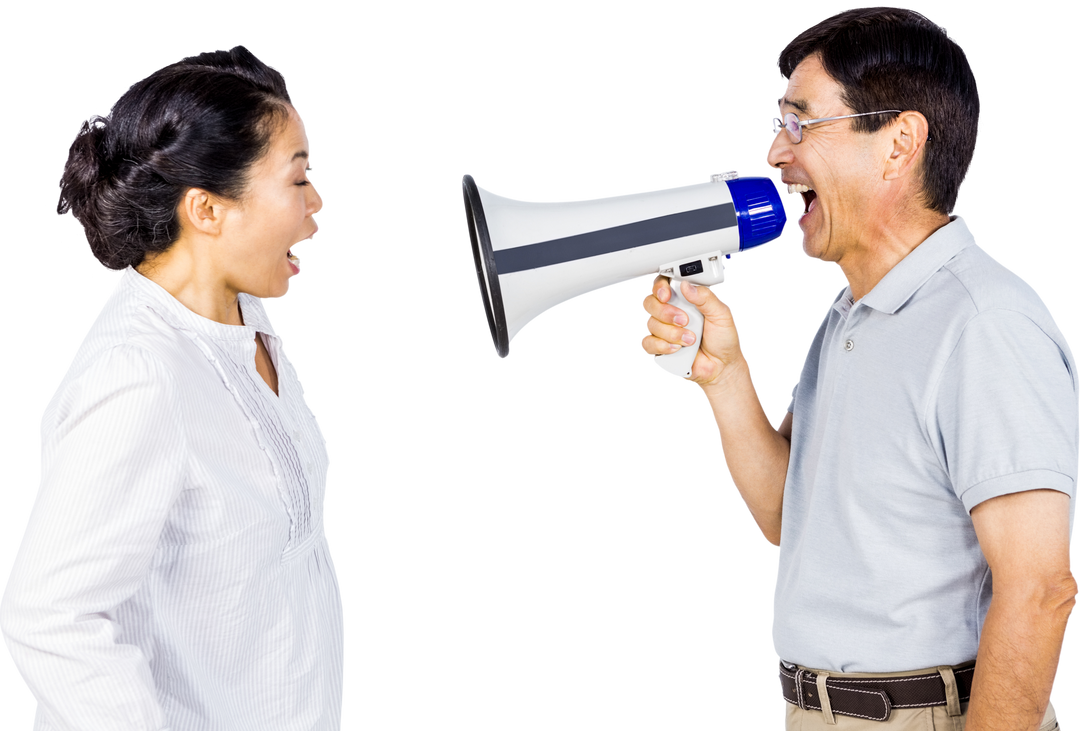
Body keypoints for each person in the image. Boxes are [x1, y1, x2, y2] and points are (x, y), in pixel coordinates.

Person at [639, 6, 1078, 730]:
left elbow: (1039, 588)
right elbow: (790, 518)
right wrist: (725, 377)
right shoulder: (849, 313)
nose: (774, 154)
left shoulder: (984, 322)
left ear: (898, 141)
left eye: (799, 124)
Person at [0, 43, 345, 729]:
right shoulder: (137, 375)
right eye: (298, 179)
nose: (319, 203)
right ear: (207, 210)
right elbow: (49, 616)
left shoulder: (244, 317)